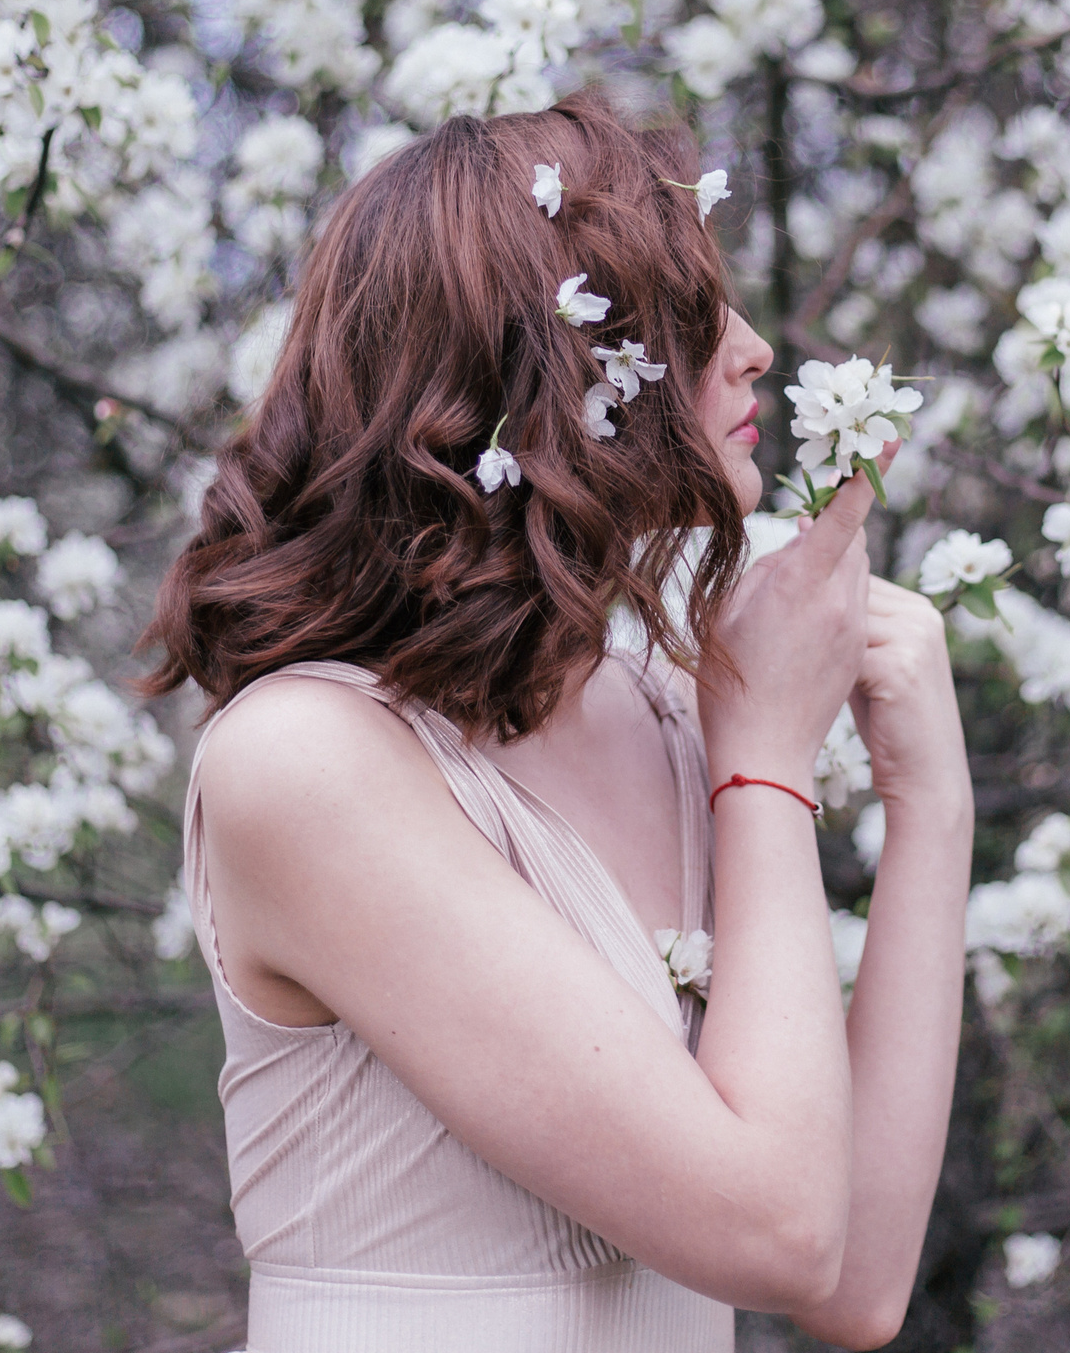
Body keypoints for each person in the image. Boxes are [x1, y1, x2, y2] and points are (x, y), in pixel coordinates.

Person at [138, 91, 974, 1351]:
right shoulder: (304, 763)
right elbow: (777, 1233)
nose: (752, 350)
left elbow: (847, 1285)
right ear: (554, 365)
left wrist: (931, 810)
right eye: (690, 317)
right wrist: (764, 765)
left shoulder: (653, 709)